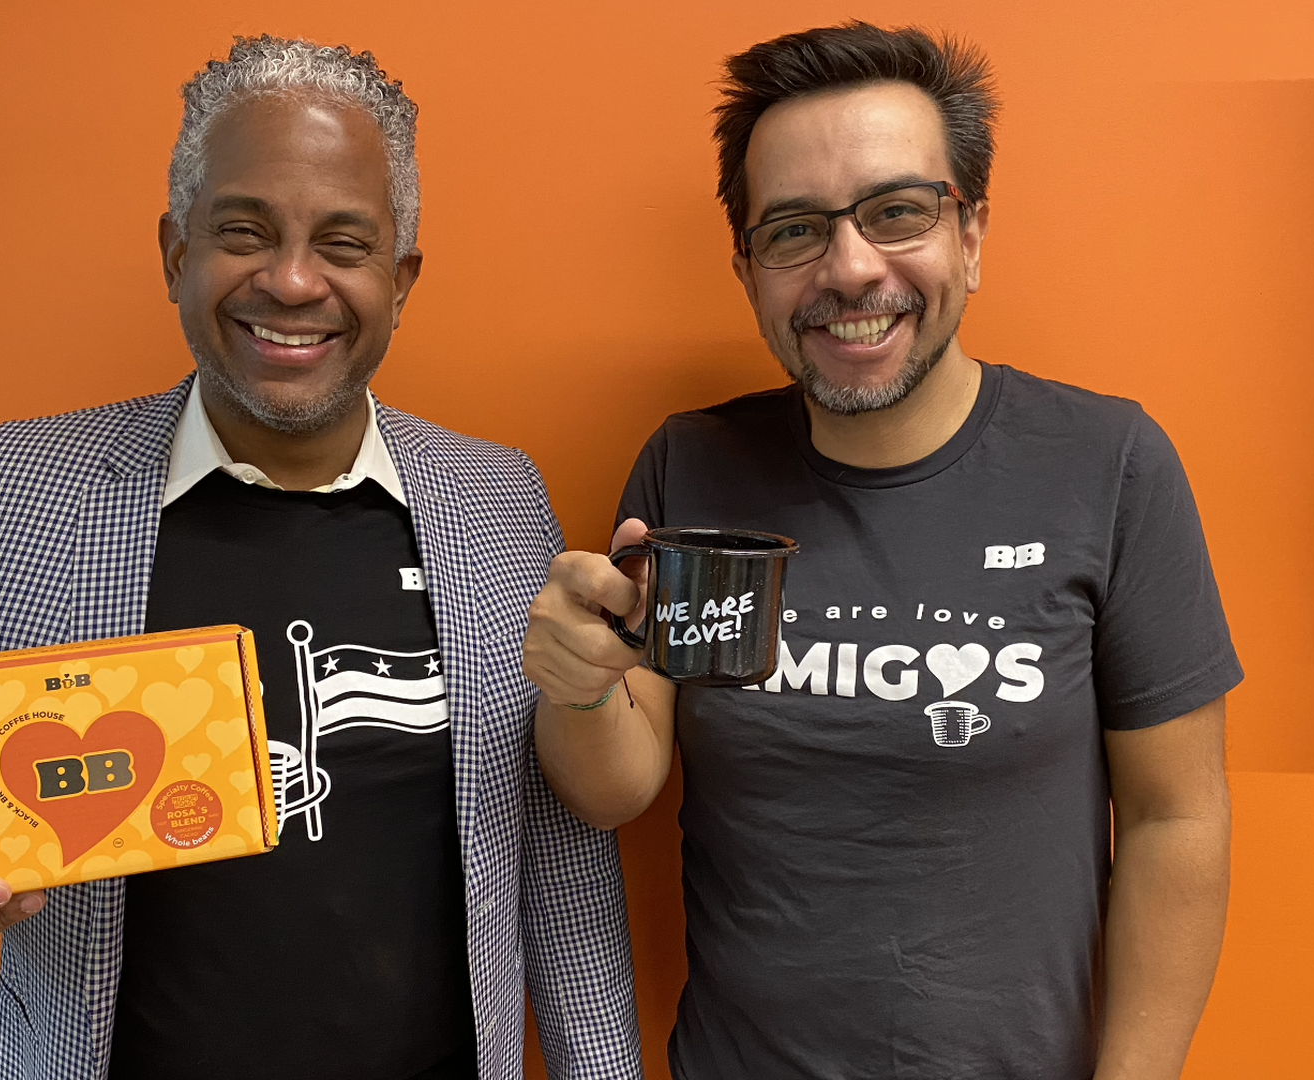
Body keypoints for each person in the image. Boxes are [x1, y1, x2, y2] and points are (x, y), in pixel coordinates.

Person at [0, 36, 640, 1080]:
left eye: (343, 242)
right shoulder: (2, 494)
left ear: (401, 277)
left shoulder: (499, 499)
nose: (291, 280)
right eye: (244, 230)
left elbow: (556, 853)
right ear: (173, 252)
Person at [523, 22, 1239, 1080]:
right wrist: (578, 690)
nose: (852, 268)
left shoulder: (1109, 464)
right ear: (749, 268)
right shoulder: (692, 467)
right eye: (796, 231)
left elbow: (1179, 816)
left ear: (974, 234)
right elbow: (616, 789)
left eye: (897, 212)